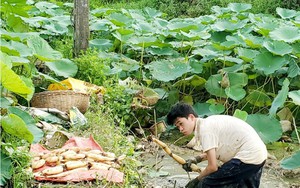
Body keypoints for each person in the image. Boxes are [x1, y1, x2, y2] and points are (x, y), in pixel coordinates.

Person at [166, 102, 267, 188]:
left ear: (191, 117)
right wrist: (196, 159)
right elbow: (218, 150)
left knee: (206, 184)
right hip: (259, 155)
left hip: (248, 157)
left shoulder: (205, 130)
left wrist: (196, 181)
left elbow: (212, 167)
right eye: (177, 126)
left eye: (181, 123)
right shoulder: (208, 123)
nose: (180, 129)